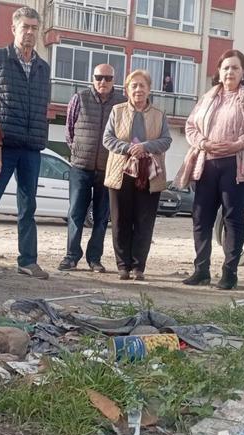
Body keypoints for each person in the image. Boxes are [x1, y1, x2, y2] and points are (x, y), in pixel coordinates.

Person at [0, 6, 51, 279]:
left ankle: (28, 260)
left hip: (32, 147)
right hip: (2, 146)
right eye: (25, 27)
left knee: (29, 206)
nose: (30, 32)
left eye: (34, 28)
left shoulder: (43, 67)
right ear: (13, 29)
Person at [179, 49, 244, 290]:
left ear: (243, 72)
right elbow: (190, 126)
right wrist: (203, 143)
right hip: (207, 163)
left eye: (235, 68)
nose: (230, 71)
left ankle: (229, 273)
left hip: (237, 165)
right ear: (219, 72)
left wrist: (238, 143)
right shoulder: (207, 98)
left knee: (233, 218)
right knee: (201, 218)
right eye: (226, 67)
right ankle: (201, 270)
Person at [102, 69, 172, 281]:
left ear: (149, 89)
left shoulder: (159, 115)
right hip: (120, 173)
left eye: (142, 85)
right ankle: (123, 265)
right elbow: (107, 139)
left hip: (150, 175)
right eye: (134, 86)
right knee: (121, 220)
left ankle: (138, 266)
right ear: (127, 90)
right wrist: (128, 148)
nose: (138, 90)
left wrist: (146, 147)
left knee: (144, 221)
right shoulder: (117, 111)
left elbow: (166, 140)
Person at [58, 64, 127, 274]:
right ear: (93, 78)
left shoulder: (121, 103)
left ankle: (94, 259)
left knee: (101, 217)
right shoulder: (79, 98)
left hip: (108, 170)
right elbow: (69, 132)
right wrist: (79, 151)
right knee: (75, 214)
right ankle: (71, 256)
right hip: (80, 167)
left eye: (107, 78)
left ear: (114, 79)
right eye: (99, 77)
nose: (103, 82)